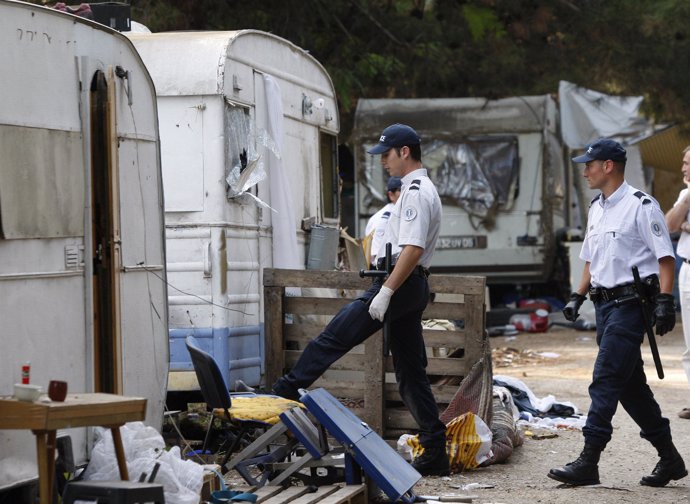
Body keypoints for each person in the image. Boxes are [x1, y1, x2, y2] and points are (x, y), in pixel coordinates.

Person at [272, 123, 449, 476]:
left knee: (337, 332)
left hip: (399, 281)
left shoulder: (414, 192)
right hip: (408, 284)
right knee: (411, 372)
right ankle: (435, 449)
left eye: (386, 154)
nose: (383, 162)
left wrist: (385, 291)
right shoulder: (419, 189)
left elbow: (412, 249)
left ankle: (283, 391)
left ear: (404, 152)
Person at [550, 138, 687, 487]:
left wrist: (665, 300)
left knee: (607, 377)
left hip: (632, 305)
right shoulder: (597, 207)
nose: (584, 172)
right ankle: (670, 458)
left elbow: (664, 256)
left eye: (589, 165)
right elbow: (592, 260)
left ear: (608, 165)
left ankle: (589, 459)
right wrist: (576, 296)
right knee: (631, 388)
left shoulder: (641, 206)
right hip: (605, 306)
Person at [663, 145, 690, 420]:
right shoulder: (685, 193)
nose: (683, 168)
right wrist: (687, 201)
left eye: (687, 164)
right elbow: (669, 224)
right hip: (688, 270)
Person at [364, 176, 402, 266]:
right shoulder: (399, 215)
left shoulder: (374, 217)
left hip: (376, 267)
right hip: (390, 266)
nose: (406, 193)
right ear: (391, 195)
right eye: (401, 189)